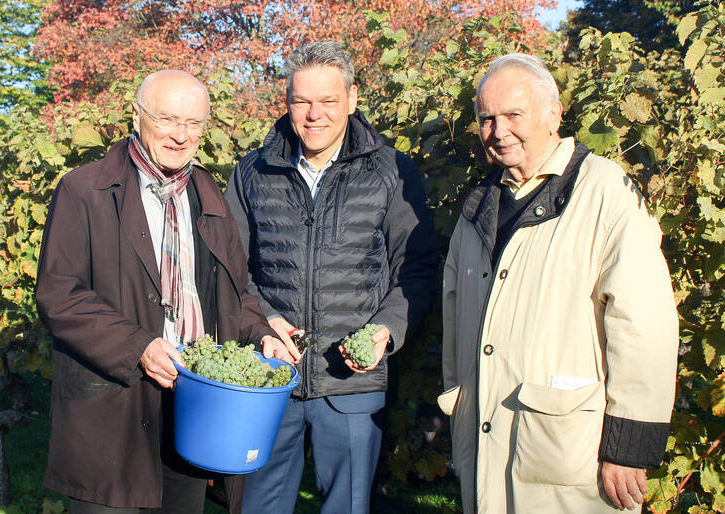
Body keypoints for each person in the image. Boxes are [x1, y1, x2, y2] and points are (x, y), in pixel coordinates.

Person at [36, 70, 288, 513]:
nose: (180, 135)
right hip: (114, 407)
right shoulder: (84, 191)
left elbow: (233, 293)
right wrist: (139, 347)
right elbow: (60, 295)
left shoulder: (209, 194)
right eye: (167, 118)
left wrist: (260, 333)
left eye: (193, 123)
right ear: (137, 116)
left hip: (192, 409)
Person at [440, 53, 679, 513]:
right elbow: (455, 317)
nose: (498, 130)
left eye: (513, 114)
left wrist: (628, 445)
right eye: (486, 119)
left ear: (553, 115)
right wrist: (459, 402)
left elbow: (644, 323)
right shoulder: (479, 208)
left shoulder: (606, 193)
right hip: (488, 438)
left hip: (569, 451)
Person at [224, 40, 438, 513]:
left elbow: (416, 268)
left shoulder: (392, 172)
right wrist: (261, 323)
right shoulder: (252, 173)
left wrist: (386, 330)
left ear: (352, 99)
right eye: (301, 101)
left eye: (328, 101)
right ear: (287, 102)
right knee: (258, 506)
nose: (314, 114)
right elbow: (231, 269)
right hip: (269, 376)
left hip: (353, 386)